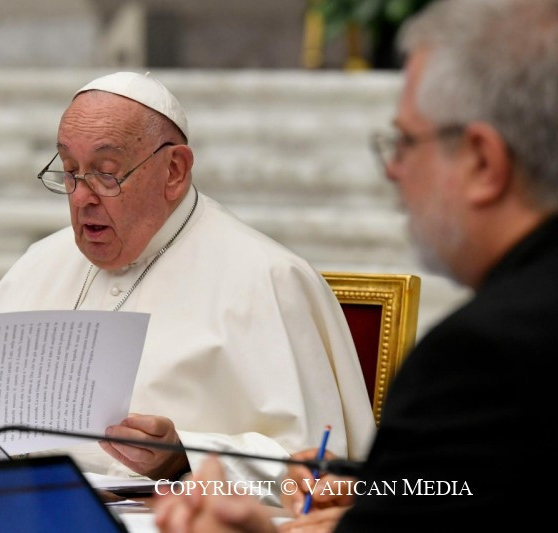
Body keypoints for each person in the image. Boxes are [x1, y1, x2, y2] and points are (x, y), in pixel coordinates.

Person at [0, 72, 374, 500]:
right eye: (69, 170)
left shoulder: (268, 278)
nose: (82, 196)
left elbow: (322, 476)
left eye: (107, 173)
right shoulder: (41, 263)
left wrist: (183, 456)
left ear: (175, 171)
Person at [153, 0, 558, 530]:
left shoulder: (485, 358)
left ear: (483, 161)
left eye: (406, 142)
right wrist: (371, 490)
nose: (393, 170)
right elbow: (466, 484)